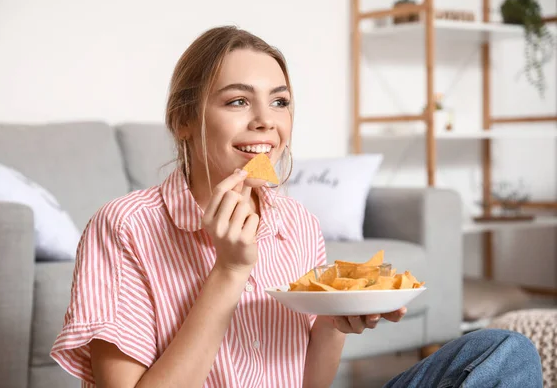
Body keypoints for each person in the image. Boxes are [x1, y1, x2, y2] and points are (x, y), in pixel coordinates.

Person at [50, 26, 543, 388]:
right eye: (238, 102)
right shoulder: (124, 226)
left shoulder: (296, 222)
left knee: (503, 351)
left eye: (280, 102)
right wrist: (228, 272)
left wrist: (333, 322)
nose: (266, 121)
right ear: (183, 119)